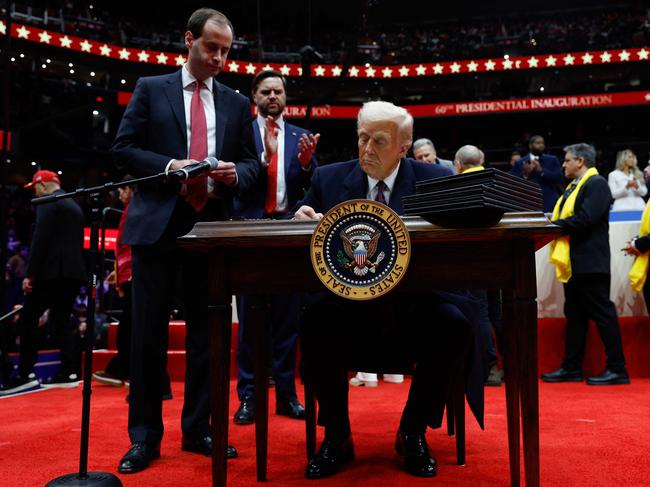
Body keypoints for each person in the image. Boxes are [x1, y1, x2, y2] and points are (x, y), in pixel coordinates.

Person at [293, 101, 484, 479]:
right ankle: (337, 435)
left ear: (403, 146)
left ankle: (412, 431)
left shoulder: (434, 179)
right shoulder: (328, 180)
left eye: (378, 141)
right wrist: (300, 218)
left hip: (414, 307)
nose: (366, 149)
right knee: (314, 319)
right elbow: (300, 218)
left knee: (455, 324)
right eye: (362, 138)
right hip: (344, 308)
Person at [111, 8, 259, 473]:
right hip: (158, 221)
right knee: (147, 336)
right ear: (189, 40)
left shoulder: (236, 103)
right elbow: (123, 149)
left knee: (207, 337)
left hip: (211, 227)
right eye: (211, 47)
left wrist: (238, 173)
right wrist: (169, 167)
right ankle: (144, 438)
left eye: (226, 51)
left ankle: (199, 429)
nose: (218, 58)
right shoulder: (151, 89)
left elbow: (254, 166)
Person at [232, 70, 319, 424]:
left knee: (287, 322)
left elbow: (316, 183)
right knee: (251, 320)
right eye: (265, 91)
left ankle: (287, 395)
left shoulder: (300, 136)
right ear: (254, 96)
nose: (272, 96)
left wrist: (306, 164)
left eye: (278, 91)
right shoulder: (240, 134)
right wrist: (264, 161)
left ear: (285, 97)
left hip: (288, 231)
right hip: (249, 231)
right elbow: (233, 181)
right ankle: (249, 397)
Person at [541, 143, 629, 386]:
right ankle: (571, 368)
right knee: (576, 316)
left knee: (603, 314)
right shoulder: (574, 187)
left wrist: (553, 226)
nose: (563, 164)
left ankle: (617, 368)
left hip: (591, 262)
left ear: (580, 161)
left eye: (567, 160)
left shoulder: (596, 183)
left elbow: (586, 218)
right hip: (576, 262)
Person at [0, 170, 86, 396]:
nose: (34, 192)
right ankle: (69, 372)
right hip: (73, 273)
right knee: (61, 321)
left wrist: (30, 274)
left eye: (35, 187)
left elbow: (41, 238)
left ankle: (25, 374)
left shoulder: (49, 200)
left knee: (28, 318)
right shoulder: (73, 204)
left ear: (45, 184)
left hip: (52, 273)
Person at [92, 180, 172, 399]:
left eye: (121, 189)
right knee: (136, 326)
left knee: (137, 327)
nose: (119, 193)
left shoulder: (139, 207)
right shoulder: (134, 208)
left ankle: (132, 373)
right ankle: (138, 375)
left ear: (130, 188)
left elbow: (132, 245)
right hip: (132, 272)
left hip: (137, 273)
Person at [453, 145, 504, 386]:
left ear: (458, 164)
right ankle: (511, 363)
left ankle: (488, 365)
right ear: (482, 159)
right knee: (498, 313)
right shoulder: (498, 181)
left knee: (480, 312)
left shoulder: (455, 185)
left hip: (471, 258)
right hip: (499, 255)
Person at [510, 135, 563, 212]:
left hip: (548, 202)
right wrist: (525, 175)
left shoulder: (552, 160)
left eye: (543, 143)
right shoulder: (520, 162)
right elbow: (512, 183)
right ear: (530, 145)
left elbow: (559, 178)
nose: (541, 145)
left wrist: (542, 171)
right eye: (538, 143)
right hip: (526, 202)